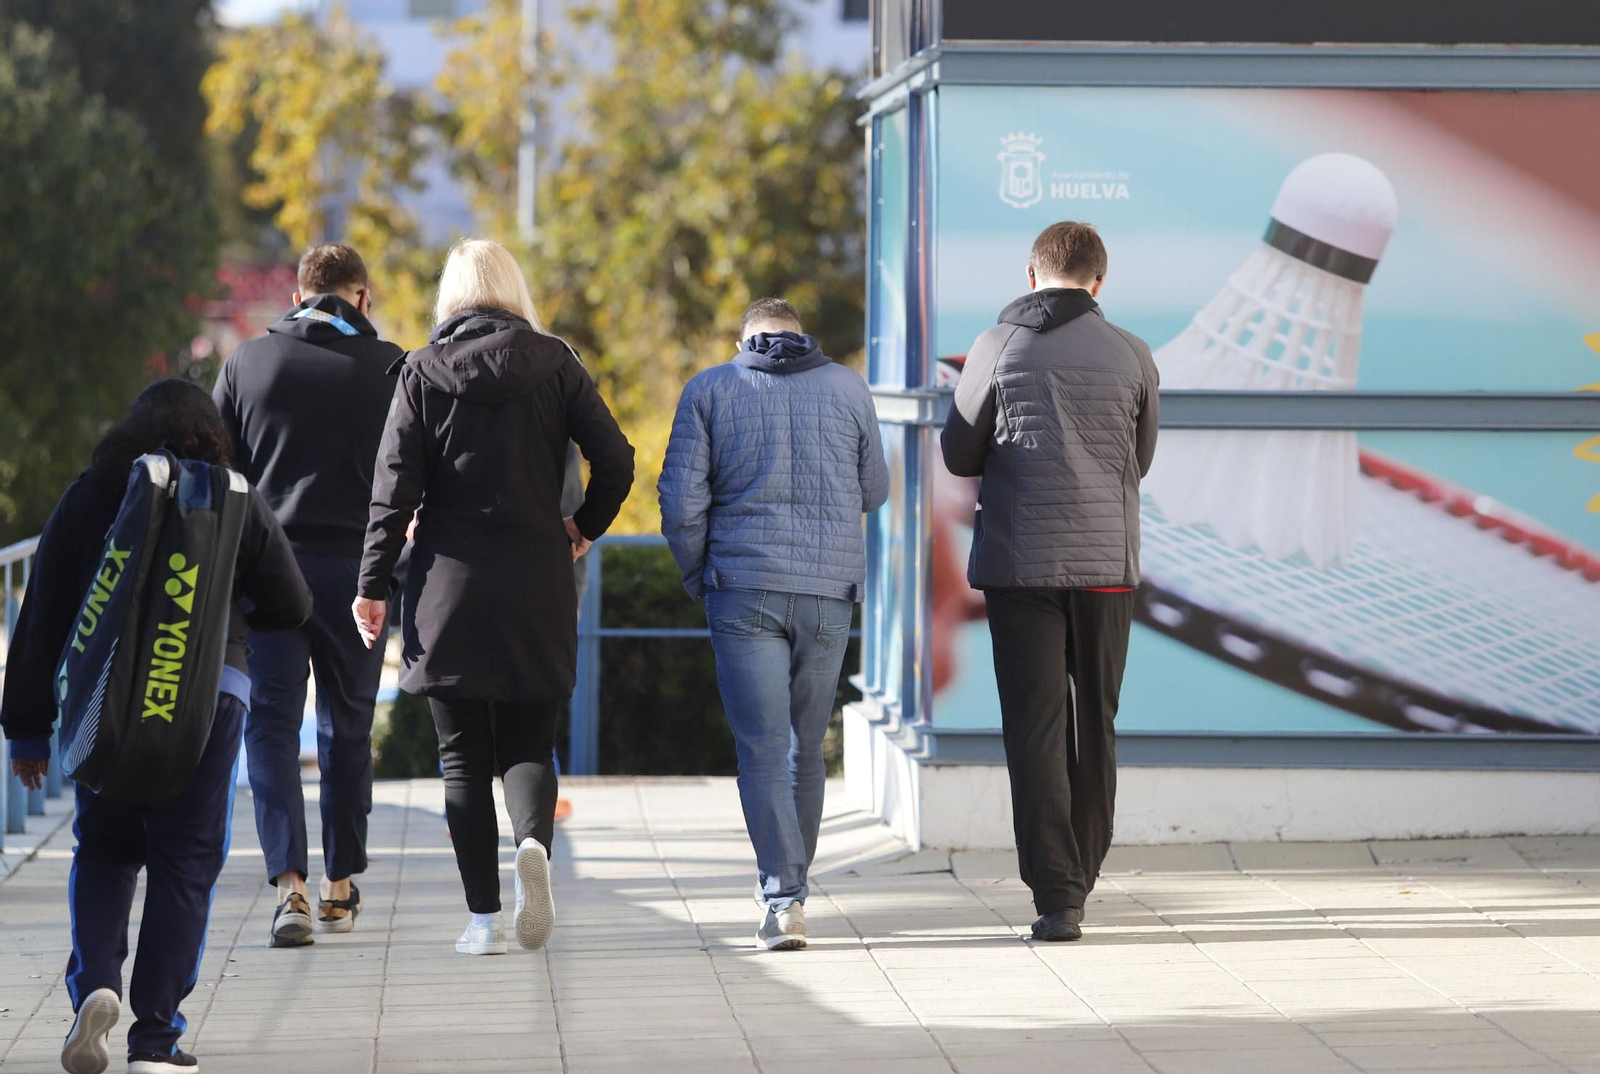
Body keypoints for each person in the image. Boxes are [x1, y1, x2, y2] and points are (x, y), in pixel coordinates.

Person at [2, 380, 312, 1074]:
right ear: (211, 436)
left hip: (106, 705)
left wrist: (26, 729)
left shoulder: (92, 493)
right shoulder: (235, 496)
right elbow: (292, 604)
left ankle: (97, 988)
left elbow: (44, 608)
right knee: (185, 865)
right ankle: (155, 1040)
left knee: (106, 850)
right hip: (207, 705)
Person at [352, 239, 633, 956]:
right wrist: (582, 526)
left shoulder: (419, 372)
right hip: (537, 578)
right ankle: (532, 847)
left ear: (450, 295)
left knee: (461, 760)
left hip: (448, 586)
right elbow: (619, 458)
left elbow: (393, 490)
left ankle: (482, 920)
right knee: (529, 741)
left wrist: (374, 584)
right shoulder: (557, 364)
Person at [939, 221, 1159, 942]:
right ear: (1100, 281)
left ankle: (1057, 895)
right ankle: (1083, 871)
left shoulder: (995, 347)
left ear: (1030, 275)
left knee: (1035, 729)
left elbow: (959, 454)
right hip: (1105, 569)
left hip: (1019, 566)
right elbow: (1141, 457)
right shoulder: (1132, 352)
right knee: (1096, 720)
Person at [659, 297, 889, 951]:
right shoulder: (848, 387)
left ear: (745, 339)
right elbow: (875, 489)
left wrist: (695, 573)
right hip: (828, 594)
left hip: (743, 588)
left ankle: (784, 895)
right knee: (803, 747)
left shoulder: (710, 388)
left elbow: (680, 502)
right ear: (800, 334)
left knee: (761, 750)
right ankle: (788, 891)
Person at [212, 242, 405, 948]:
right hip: (360, 573)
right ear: (363, 297)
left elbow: (218, 471)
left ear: (297, 296)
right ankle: (340, 886)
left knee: (269, 724)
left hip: (269, 572)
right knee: (346, 727)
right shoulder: (391, 368)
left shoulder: (247, 364)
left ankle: (288, 886)